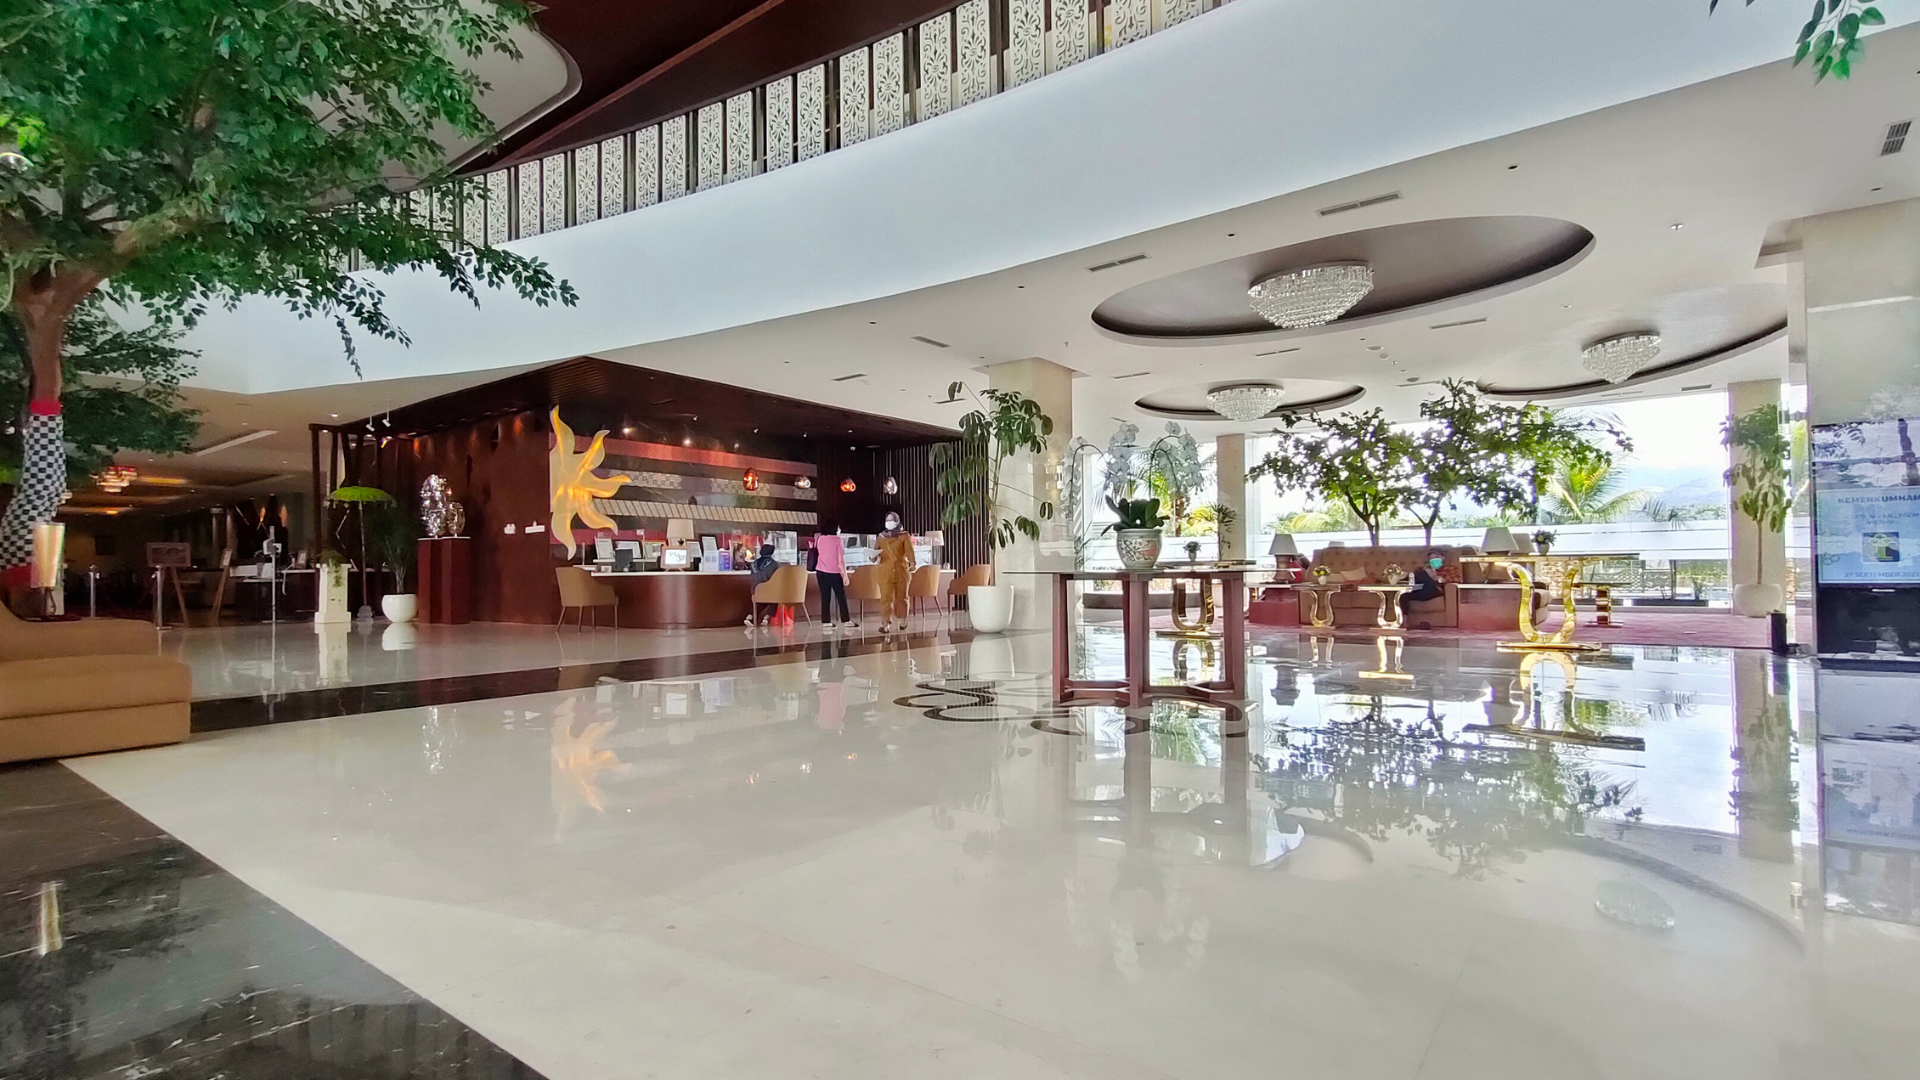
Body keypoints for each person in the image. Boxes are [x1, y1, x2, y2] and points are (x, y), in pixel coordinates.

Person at [875, 513, 913, 633]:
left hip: (901, 570)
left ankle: (903, 620)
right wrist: (872, 556)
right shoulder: (881, 537)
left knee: (902, 597)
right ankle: (886, 623)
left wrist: (912, 563)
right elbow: (876, 551)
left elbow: (909, 551)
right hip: (885, 571)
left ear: (897, 521)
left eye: (891, 520)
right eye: (887, 520)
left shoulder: (904, 536)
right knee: (886, 598)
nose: (889, 522)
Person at [1400, 548, 1449, 629]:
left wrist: (1437, 578)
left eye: (1436, 557)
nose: (1434, 560)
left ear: (1443, 558)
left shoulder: (1449, 569)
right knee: (1404, 593)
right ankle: (1404, 621)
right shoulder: (1422, 569)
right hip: (1419, 590)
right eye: (1431, 558)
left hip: (1434, 591)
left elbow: (1458, 580)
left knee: (1422, 574)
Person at [812, 525, 850, 628]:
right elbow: (840, 560)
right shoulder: (838, 540)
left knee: (825, 596)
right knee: (841, 596)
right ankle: (846, 621)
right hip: (833, 572)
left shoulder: (820, 538)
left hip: (820, 571)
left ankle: (826, 622)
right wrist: (845, 575)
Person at [745, 543, 780, 627]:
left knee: (762, 602)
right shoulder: (774, 564)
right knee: (776, 598)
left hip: (755, 590)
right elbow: (776, 578)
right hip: (767, 589)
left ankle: (750, 617)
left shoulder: (754, 563)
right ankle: (767, 617)